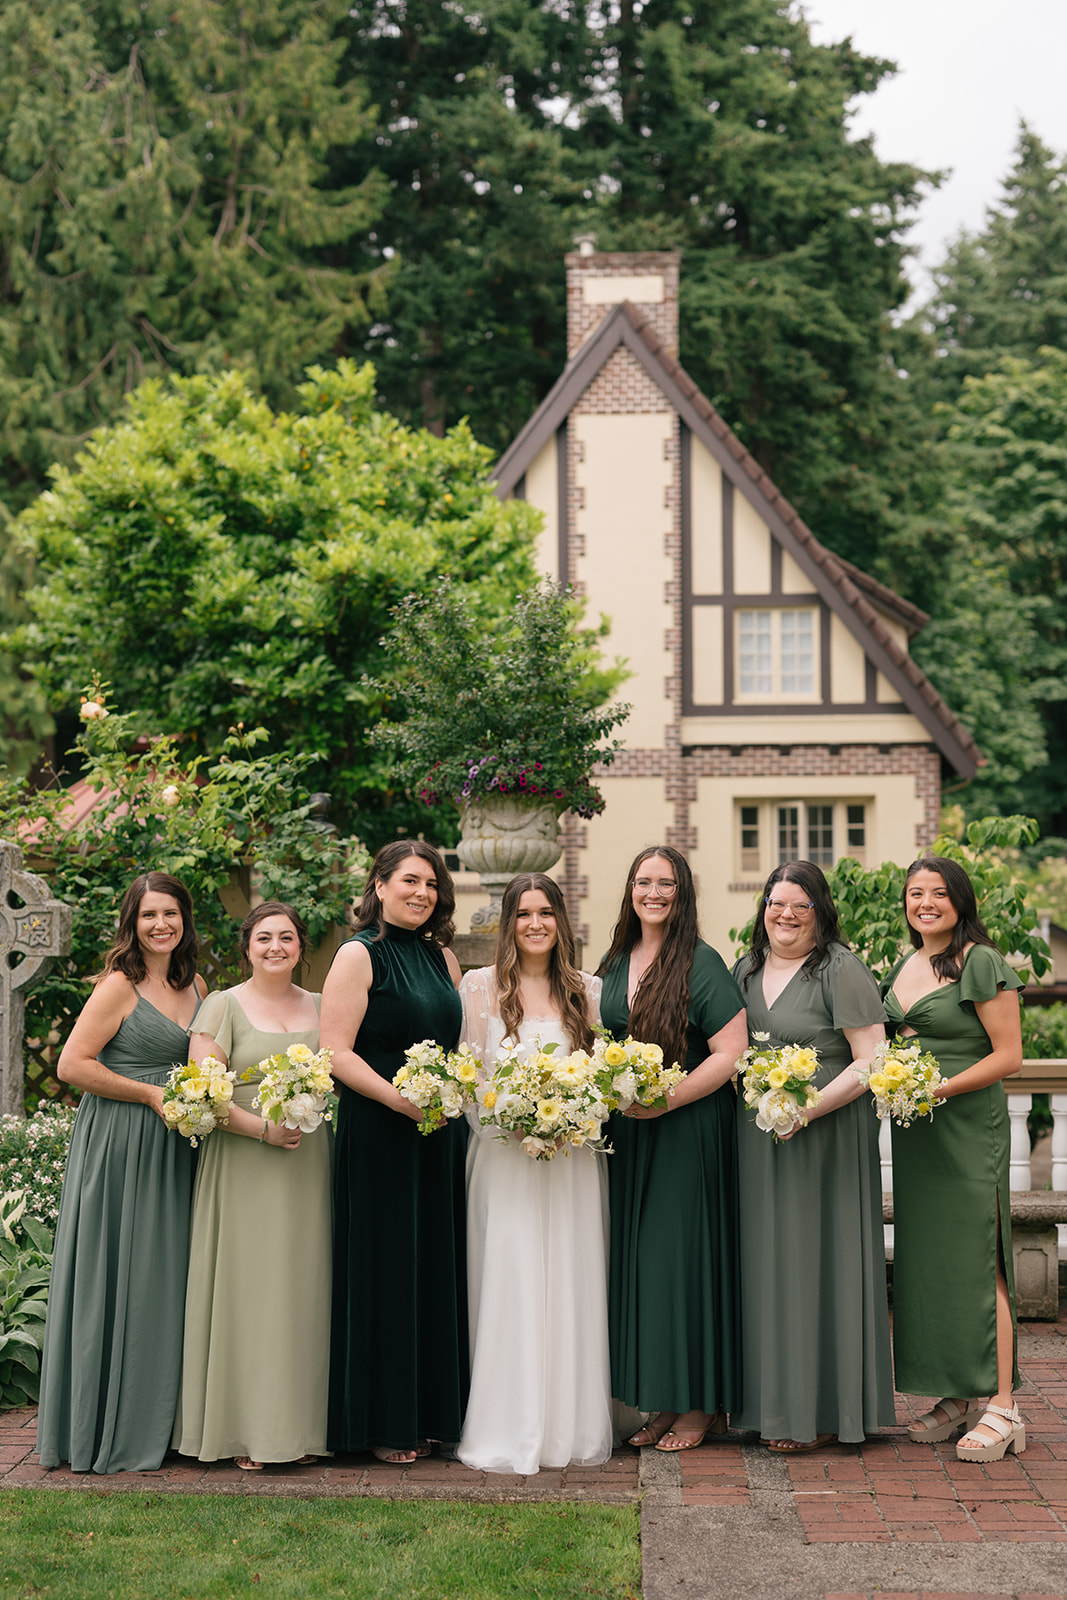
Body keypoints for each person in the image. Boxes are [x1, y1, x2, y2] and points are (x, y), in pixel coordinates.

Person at [36, 872, 205, 1474]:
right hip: (119, 1144)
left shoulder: (197, 987)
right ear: (132, 923)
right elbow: (72, 1065)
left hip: (177, 1148)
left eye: (170, 914)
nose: (160, 925)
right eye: (148, 915)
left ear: (185, 919)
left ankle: (164, 1421)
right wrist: (149, 1096)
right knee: (119, 1273)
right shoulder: (118, 986)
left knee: (165, 1276)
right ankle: (107, 1424)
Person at [732, 861, 894, 1452]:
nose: (786, 914)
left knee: (815, 1262)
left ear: (820, 912)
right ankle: (764, 1406)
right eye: (777, 902)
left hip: (823, 1138)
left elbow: (871, 1058)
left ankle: (821, 1409)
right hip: (757, 1138)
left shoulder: (841, 970)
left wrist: (809, 1109)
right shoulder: (745, 969)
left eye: (801, 905)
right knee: (764, 1264)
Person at [457, 873, 612, 1475]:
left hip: (572, 1161)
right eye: (523, 914)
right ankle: (505, 1423)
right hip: (504, 1158)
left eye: (546, 912)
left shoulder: (587, 990)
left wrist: (574, 1118)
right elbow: (469, 1078)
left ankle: (569, 1427)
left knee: (571, 1278)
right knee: (510, 1278)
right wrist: (510, 1125)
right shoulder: (479, 988)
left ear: (561, 921)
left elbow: (603, 1078)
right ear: (507, 921)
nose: (535, 924)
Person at [322, 840, 467, 1465]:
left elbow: (459, 1047)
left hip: (436, 1131)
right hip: (380, 1129)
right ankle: (381, 1423)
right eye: (410, 881)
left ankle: (432, 1413)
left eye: (431, 884)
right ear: (378, 886)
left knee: (434, 1263)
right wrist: (398, 1102)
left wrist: (445, 1096)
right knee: (384, 1269)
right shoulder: (359, 955)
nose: (422, 893)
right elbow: (336, 1051)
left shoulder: (444, 958)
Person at [599, 845, 748, 1452]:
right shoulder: (615, 960)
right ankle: (660, 1398)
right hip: (629, 1134)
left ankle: (699, 1405)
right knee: (640, 1266)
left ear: (682, 893)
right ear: (630, 890)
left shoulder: (701, 962)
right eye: (644, 882)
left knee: (679, 1262)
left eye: (666, 883)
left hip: (685, 1129)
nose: (654, 893)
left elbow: (730, 1052)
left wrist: (670, 1100)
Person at [173, 901, 330, 1470]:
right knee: (251, 1294)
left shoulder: (320, 1005)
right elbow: (201, 1093)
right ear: (247, 947)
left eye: (286, 938)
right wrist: (264, 1131)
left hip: (311, 1164)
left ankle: (304, 1430)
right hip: (244, 1161)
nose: (275, 948)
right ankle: (245, 1434)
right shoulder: (223, 1004)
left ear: (300, 947)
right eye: (264, 938)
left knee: (304, 1290)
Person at [883, 855, 1024, 1463]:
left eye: (939, 893)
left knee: (977, 1259)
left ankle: (1003, 1407)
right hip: (919, 1136)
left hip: (968, 1127)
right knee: (932, 1263)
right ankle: (955, 1397)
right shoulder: (905, 963)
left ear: (960, 900)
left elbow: (1009, 1055)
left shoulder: (981, 961)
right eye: (916, 894)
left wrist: (934, 1088)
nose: (926, 903)